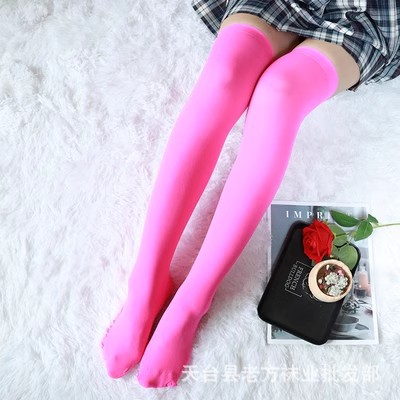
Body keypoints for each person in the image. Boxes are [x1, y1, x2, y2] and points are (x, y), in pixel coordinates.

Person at [101, 0, 400, 388]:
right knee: (225, 74)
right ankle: (146, 283)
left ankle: (193, 300)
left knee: (280, 93)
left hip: (368, 13)